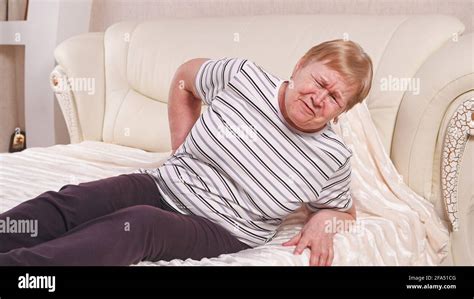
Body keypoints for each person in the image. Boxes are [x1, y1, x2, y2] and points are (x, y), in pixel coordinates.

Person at [0, 39, 373, 266]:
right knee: (74, 201)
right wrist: (183, 143)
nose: (319, 99)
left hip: (222, 226)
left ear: (344, 110)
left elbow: (342, 207)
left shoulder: (332, 156)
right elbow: (185, 77)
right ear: (300, 66)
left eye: (335, 97)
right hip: (165, 183)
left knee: (138, 224)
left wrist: (322, 222)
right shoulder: (242, 77)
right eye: (319, 82)